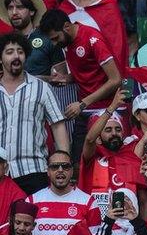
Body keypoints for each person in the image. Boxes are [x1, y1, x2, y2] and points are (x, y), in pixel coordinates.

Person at [38, 9, 121, 163]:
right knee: (78, 162)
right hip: (85, 109)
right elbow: (88, 70)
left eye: (56, 38)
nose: (55, 43)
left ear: (66, 26)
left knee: (109, 161)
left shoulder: (93, 39)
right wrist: (68, 78)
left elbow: (115, 79)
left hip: (106, 109)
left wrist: (83, 103)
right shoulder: (68, 42)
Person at [0, 32, 70, 194]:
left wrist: (63, 162)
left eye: (20, 51)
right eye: (9, 52)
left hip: (33, 170)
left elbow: (58, 125)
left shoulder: (41, 87)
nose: (16, 56)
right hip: (1, 171)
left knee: (34, 219)